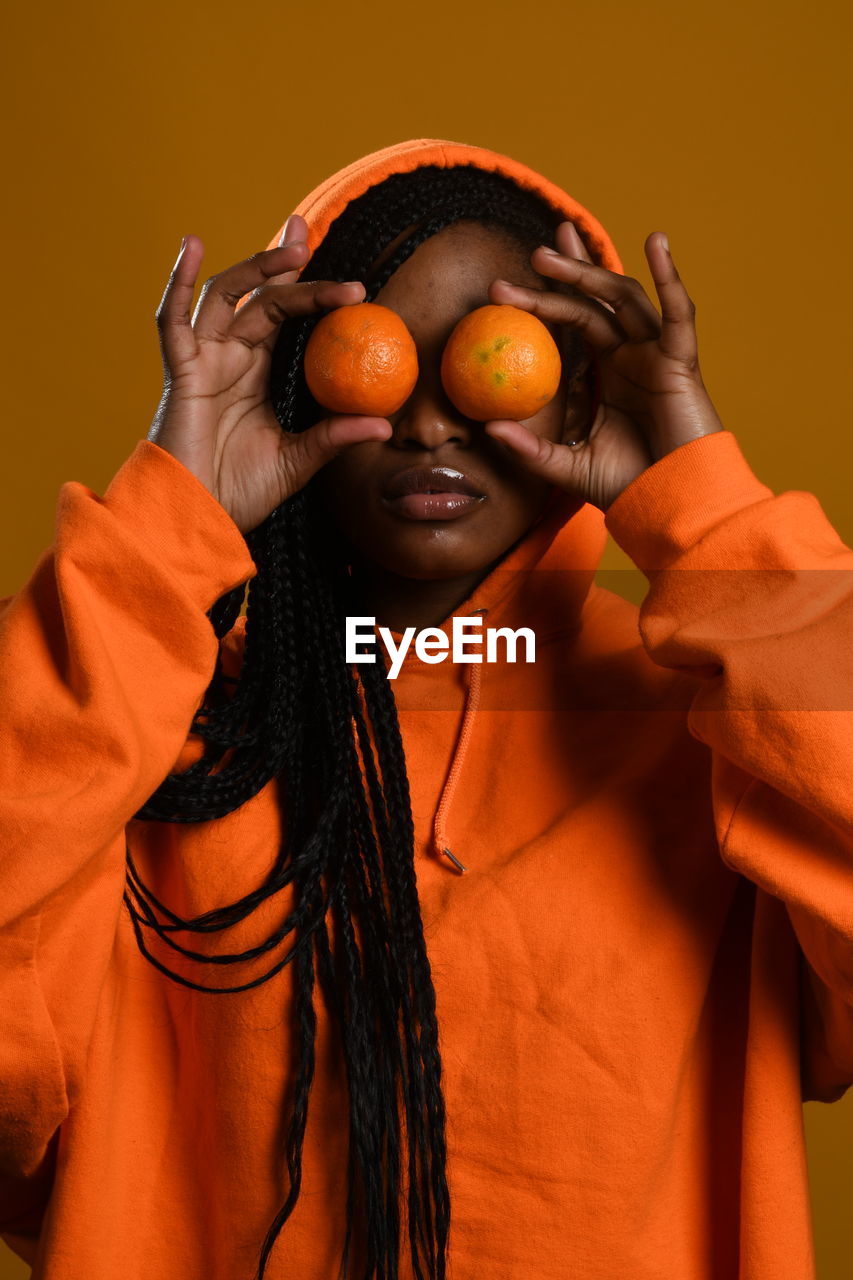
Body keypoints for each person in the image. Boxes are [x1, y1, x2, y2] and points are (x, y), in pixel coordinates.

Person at [0, 137, 850, 1280]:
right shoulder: (163, 726)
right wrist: (162, 532)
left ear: (583, 387)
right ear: (293, 380)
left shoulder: (716, 725)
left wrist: (704, 500)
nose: (431, 427)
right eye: (383, 363)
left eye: (486, 365)